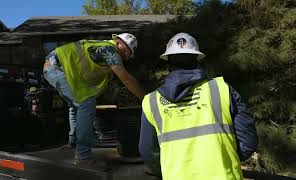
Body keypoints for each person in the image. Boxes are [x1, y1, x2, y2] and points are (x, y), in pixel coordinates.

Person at [139, 32, 258, 179]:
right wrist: (227, 158)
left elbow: (147, 151)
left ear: (168, 62)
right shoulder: (222, 89)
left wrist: (167, 170)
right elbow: (248, 140)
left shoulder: (151, 102)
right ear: (197, 59)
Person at [43, 33, 145, 170]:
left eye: (128, 54)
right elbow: (126, 79)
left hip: (54, 67)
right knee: (86, 104)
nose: (126, 56)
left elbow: (108, 87)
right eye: (127, 51)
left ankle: (73, 142)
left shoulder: (102, 50)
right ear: (119, 43)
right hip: (56, 67)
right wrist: (146, 99)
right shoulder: (109, 50)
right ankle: (83, 157)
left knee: (75, 106)